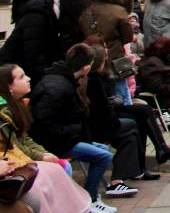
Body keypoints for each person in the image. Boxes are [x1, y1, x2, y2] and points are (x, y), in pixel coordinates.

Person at [29, 43, 126, 205]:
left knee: (103, 149)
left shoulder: (63, 80)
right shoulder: (58, 86)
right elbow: (44, 122)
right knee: (104, 156)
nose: (28, 79)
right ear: (87, 68)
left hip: (63, 137)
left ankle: (92, 197)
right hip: (55, 142)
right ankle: (90, 200)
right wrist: (74, 133)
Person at [0, 63, 98, 213]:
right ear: (9, 87)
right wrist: (37, 158)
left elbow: (24, 139)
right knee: (57, 170)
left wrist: (43, 153)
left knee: (58, 168)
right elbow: (14, 147)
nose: (28, 78)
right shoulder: (5, 111)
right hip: (14, 163)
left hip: (19, 159)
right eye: (21, 77)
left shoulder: (16, 105)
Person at [81, 41, 155, 190]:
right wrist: (116, 118)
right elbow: (101, 110)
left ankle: (126, 176)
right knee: (131, 128)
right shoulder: (94, 81)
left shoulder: (99, 77)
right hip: (96, 127)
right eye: (106, 56)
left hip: (101, 121)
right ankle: (120, 179)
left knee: (137, 121)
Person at [0, 0, 90, 85]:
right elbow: (33, 53)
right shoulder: (42, 9)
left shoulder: (60, 6)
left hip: (32, 74)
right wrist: (48, 81)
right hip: (16, 76)